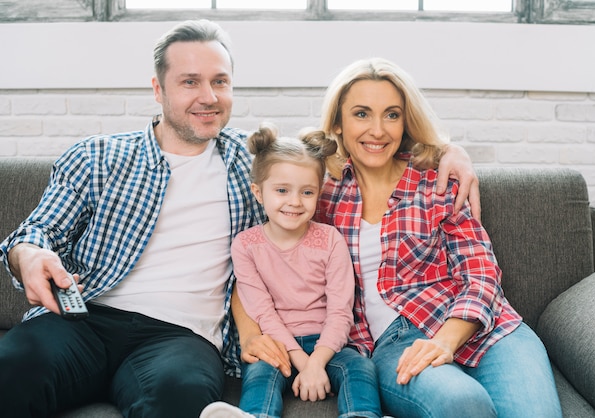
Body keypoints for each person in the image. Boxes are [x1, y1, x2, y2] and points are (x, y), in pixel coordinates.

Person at [0, 19, 478, 418]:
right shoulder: (98, 157)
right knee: (14, 370)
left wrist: (444, 151)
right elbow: (35, 232)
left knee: (179, 397)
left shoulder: (258, 163)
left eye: (220, 82)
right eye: (190, 82)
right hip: (84, 318)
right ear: (157, 88)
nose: (208, 96)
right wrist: (29, 254)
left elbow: (354, 146)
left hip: (181, 338)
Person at [309, 57, 561, 417]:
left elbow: (481, 271)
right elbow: (274, 176)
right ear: (337, 121)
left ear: (405, 121)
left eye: (392, 115)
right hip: (397, 342)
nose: (378, 130)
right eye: (361, 114)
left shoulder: (437, 182)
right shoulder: (321, 196)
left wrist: (446, 338)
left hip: (488, 329)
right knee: (463, 405)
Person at [231, 124, 381, 418]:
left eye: (307, 191)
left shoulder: (330, 240)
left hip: (331, 342)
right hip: (277, 343)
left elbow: (341, 311)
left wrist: (318, 362)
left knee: (361, 368)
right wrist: (302, 362)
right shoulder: (246, 246)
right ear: (258, 193)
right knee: (260, 374)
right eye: (282, 190)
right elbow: (262, 313)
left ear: (319, 192)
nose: (295, 201)